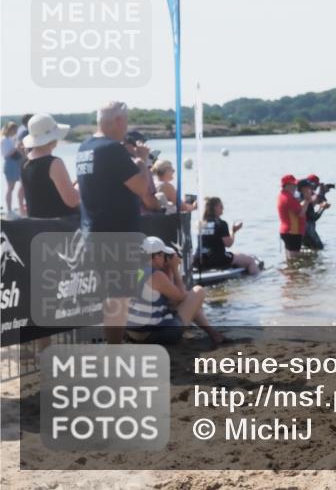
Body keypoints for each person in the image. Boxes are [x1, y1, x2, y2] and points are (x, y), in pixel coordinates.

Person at [77, 102, 160, 344]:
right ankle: (114, 351)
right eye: (127, 121)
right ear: (119, 121)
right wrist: (142, 161)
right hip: (116, 233)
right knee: (118, 296)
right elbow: (141, 187)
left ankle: (113, 347)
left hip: (94, 229)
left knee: (112, 294)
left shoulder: (85, 147)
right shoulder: (112, 149)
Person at [125, 237, 221, 345]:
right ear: (156, 256)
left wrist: (168, 270)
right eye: (163, 255)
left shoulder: (136, 270)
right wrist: (175, 269)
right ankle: (214, 334)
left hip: (132, 332)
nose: (164, 258)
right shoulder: (156, 275)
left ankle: (214, 334)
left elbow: (170, 298)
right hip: (151, 336)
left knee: (184, 300)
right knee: (198, 291)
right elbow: (181, 296)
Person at [21, 113, 79, 218]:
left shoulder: (24, 162)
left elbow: (44, 194)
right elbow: (72, 201)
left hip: (36, 225)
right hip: (59, 224)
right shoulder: (54, 163)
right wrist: (82, 185)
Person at [197, 196, 259, 274]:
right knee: (251, 261)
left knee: (236, 255)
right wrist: (233, 231)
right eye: (221, 206)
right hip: (217, 259)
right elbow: (229, 244)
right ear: (215, 208)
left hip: (200, 259)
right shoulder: (221, 223)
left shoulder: (200, 224)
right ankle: (257, 279)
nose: (223, 208)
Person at [277, 174, 307, 260]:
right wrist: (307, 200)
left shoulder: (282, 195)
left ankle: (288, 268)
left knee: (290, 259)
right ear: (287, 185)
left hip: (286, 231)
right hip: (293, 232)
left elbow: (295, 209)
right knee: (294, 259)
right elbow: (300, 213)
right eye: (293, 185)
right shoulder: (289, 198)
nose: (295, 187)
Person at [2, 121, 24, 217]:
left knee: (22, 185)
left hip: (17, 163)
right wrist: (16, 147)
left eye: (16, 129)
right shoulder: (4, 140)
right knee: (10, 188)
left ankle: (20, 207)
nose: (15, 131)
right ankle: (9, 210)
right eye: (13, 129)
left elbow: (19, 152)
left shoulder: (12, 139)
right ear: (8, 129)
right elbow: (6, 154)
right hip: (10, 164)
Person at [301, 175, 329, 251]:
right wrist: (322, 208)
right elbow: (313, 217)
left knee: (307, 250)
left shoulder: (304, 194)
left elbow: (320, 200)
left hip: (300, 230)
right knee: (319, 248)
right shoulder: (306, 197)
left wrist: (323, 192)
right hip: (307, 230)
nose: (316, 187)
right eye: (316, 185)